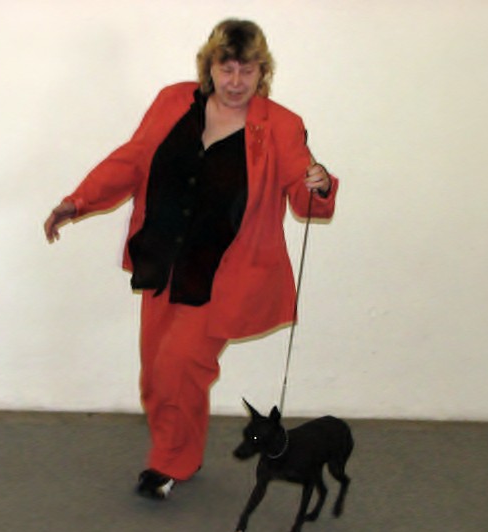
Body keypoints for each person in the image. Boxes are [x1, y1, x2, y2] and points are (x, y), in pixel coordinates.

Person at [44, 18, 337, 500]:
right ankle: (182, 450)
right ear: (210, 67)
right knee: (157, 375)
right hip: (162, 259)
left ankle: (168, 464)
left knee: (179, 367)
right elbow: (131, 160)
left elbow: (304, 195)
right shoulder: (173, 102)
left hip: (224, 273)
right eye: (227, 69)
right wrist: (78, 202)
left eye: (247, 70)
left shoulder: (280, 125)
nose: (236, 81)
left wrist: (320, 186)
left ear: (262, 72)